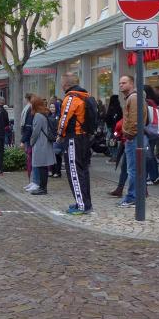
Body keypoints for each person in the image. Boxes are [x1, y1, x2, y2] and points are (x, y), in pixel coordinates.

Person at [57, 74, 93, 215]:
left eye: (62, 83)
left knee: (74, 172)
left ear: (66, 84)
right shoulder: (85, 96)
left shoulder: (71, 98)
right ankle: (85, 202)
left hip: (73, 138)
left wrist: (60, 135)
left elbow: (64, 119)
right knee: (83, 171)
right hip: (84, 137)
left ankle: (81, 205)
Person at [117, 74, 145, 208]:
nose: (121, 85)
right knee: (133, 169)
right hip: (133, 137)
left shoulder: (133, 98)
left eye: (124, 83)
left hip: (133, 138)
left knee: (133, 169)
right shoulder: (132, 98)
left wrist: (129, 135)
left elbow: (135, 120)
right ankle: (135, 196)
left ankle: (132, 197)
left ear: (131, 84)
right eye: (120, 83)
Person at [29, 96, 55, 195]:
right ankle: (42, 187)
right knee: (43, 167)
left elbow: (35, 132)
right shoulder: (43, 114)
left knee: (42, 167)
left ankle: (43, 188)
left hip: (41, 144)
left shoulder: (38, 116)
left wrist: (31, 142)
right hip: (44, 143)